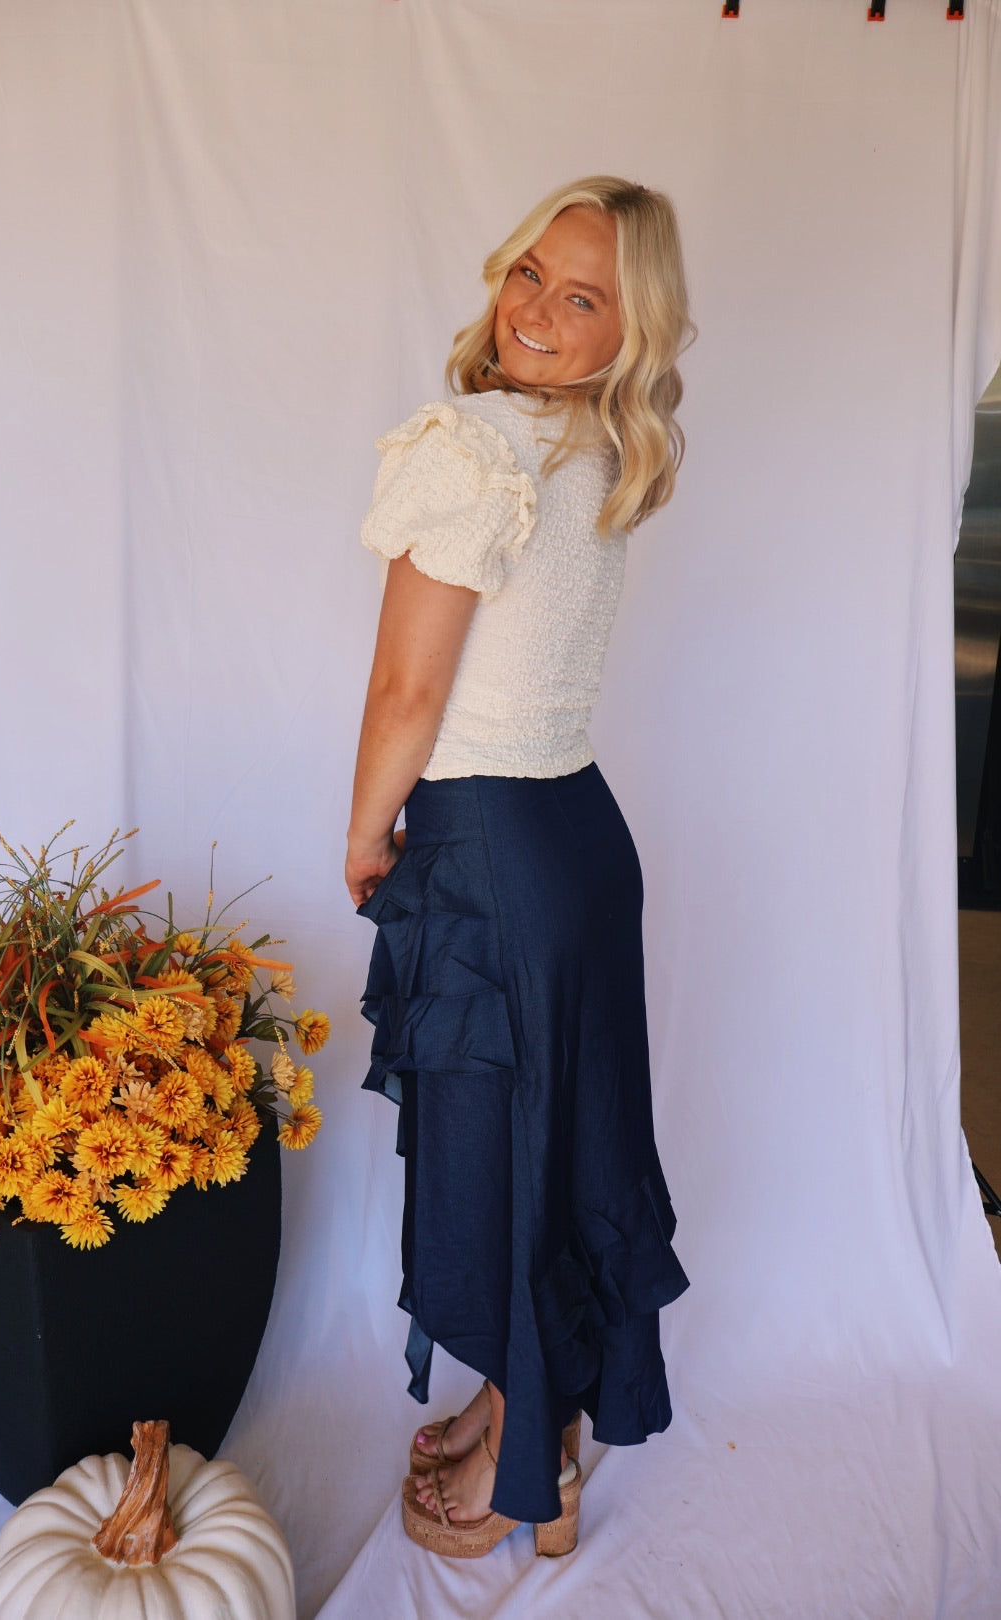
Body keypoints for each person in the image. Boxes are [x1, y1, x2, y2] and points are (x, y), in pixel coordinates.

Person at [345, 175, 694, 1560]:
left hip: (489, 851)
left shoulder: (475, 444)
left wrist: (367, 835)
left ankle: (518, 1471)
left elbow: (405, 694)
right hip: (580, 849)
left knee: (501, 1168)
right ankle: (528, 1413)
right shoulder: (604, 443)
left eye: (583, 295)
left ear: (628, 331)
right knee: (556, 1158)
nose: (538, 309)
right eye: (531, 272)